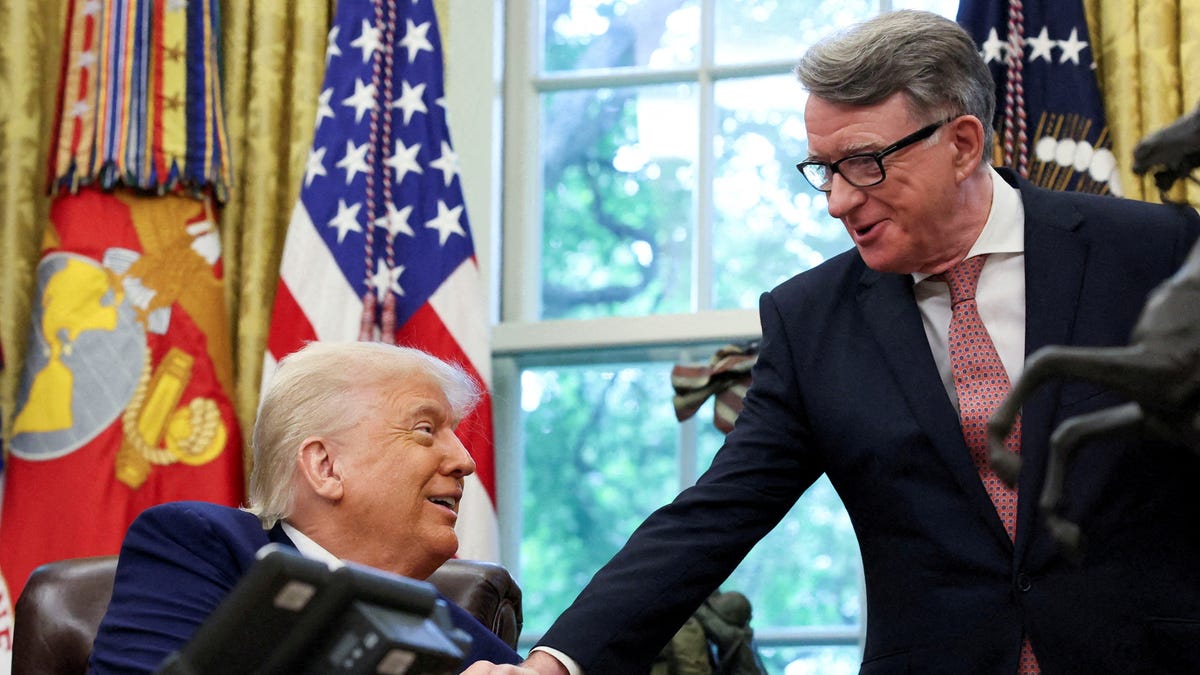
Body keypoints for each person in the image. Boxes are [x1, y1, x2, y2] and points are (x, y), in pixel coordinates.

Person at [465, 10, 1200, 675]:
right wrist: (554, 665)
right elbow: (713, 515)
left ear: (962, 144)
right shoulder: (810, 320)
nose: (839, 201)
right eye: (824, 170)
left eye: (865, 162)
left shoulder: (1154, 253)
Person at [88, 341, 522, 673]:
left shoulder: (450, 629)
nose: (465, 460)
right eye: (425, 430)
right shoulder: (199, 549)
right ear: (325, 467)